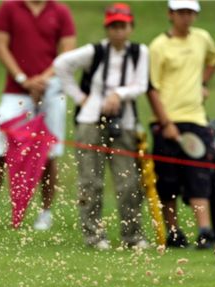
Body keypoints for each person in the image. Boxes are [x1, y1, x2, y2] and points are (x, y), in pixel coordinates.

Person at [0, 0, 76, 231]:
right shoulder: (9, 8)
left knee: (48, 155)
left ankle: (45, 213)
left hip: (51, 92)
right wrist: (23, 79)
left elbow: (68, 51)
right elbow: (1, 46)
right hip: (15, 91)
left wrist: (43, 79)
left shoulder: (60, 11)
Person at [53, 3, 149, 250]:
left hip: (124, 121)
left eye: (123, 26)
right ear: (107, 28)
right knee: (90, 181)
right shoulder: (94, 51)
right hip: (91, 120)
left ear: (131, 28)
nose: (118, 32)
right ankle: (94, 235)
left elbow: (141, 85)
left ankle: (133, 235)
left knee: (128, 181)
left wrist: (118, 94)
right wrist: (81, 98)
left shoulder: (140, 53)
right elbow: (61, 65)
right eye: (114, 26)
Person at [147, 0, 215, 249]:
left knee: (199, 177)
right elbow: (152, 88)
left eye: (190, 12)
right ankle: (174, 232)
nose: (186, 17)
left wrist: (202, 84)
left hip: (196, 118)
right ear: (170, 14)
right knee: (167, 182)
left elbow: (212, 61)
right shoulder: (158, 46)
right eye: (181, 12)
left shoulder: (202, 38)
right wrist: (165, 122)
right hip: (166, 122)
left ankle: (205, 231)